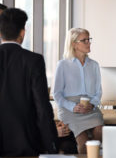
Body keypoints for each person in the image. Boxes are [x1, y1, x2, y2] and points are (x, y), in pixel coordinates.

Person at [0, 8, 58, 156]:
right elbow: (42, 108)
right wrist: (52, 147)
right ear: (22, 33)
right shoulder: (34, 60)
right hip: (26, 144)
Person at [53, 28, 103, 154]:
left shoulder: (94, 65)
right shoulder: (62, 65)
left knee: (100, 130)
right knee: (84, 143)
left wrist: (93, 104)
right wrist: (73, 107)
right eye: (84, 40)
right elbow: (57, 94)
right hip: (69, 109)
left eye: (89, 39)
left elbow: (98, 91)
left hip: (90, 107)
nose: (88, 43)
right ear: (74, 44)